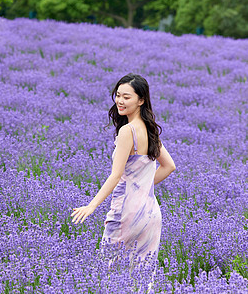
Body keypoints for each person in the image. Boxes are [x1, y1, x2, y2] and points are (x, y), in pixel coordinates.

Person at [70, 73, 176, 273]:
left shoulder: (128, 131)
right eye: (118, 95)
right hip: (150, 214)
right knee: (142, 277)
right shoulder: (150, 130)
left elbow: (116, 176)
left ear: (141, 100)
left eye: (127, 97)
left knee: (109, 273)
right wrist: (142, 187)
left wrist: (91, 206)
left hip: (126, 213)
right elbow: (169, 166)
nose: (120, 101)